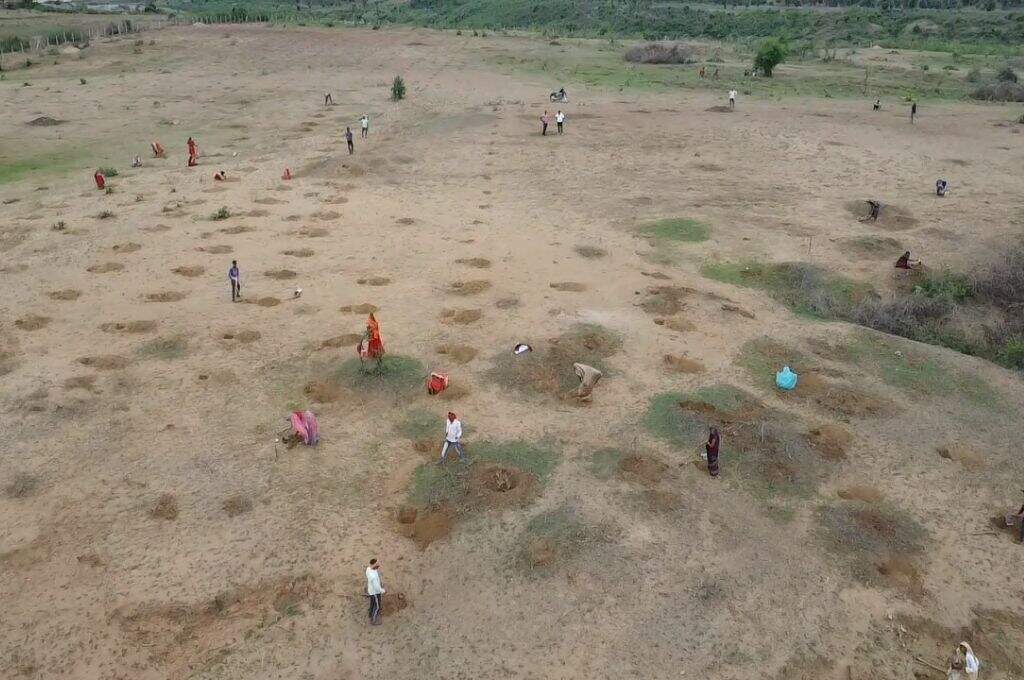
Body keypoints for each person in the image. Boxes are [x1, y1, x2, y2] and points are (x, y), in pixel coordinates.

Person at [365, 558, 385, 626]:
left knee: (372, 602)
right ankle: (373, 620)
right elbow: (377, 588)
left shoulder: (369, 569)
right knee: (377, 606)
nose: (379, 565)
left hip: (371, 591)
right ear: (373, 564)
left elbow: (376, 576)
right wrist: (383, 591)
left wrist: (380, 582)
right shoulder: (372, 577)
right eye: (377, 564)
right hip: (375, 593)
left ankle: (370, 613)